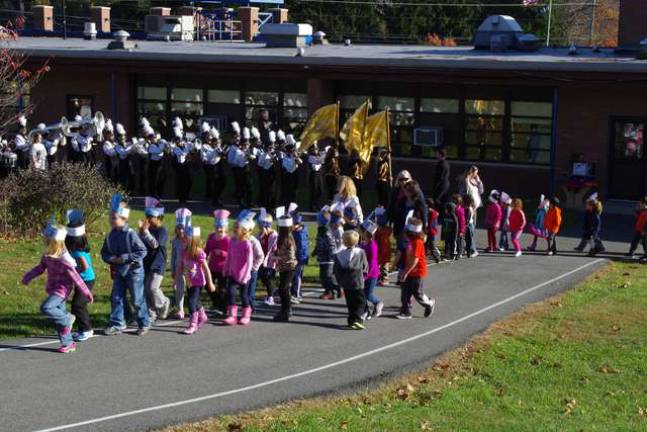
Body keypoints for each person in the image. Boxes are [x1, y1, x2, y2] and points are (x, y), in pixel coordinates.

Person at [22, 222, 93, 353]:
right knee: (57, 319)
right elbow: (40, 267)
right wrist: (28, 276)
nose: (45, 242)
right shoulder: (48, 255)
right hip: (53, 288)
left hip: (62, 290)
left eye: (47, 240)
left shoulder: (64, 258)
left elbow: (76, 277)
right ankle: (68, 344)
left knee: (47, 307)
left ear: (55, 241)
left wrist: (87, 293)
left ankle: (68, 318)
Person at [101, 194, 150, 336]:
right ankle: (118, 323)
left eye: (114, 217)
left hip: (134, 272)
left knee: (137, 298)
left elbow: (142, 251)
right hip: (119, 271)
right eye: (110, 217)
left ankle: (144, 323)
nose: (111, 220)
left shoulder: (131, 235)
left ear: (124, 219)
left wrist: (124, 258)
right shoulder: (110, 235)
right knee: (116, 297)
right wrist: (110, 259)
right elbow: (104, 252)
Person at [64, 210, 96, 342]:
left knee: (78, 305)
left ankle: (87, 330)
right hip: (81, 280)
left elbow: (85, 267)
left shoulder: (79, 252)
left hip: (87, 280)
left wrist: (74, 270)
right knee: (77, 305)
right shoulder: (75, 249)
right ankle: (83, 329)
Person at [178, 224, 215, 335]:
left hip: (198, 282)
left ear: (193, 240)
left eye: (186, 237)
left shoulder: (199, 253)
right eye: (184, 237)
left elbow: (206, 269)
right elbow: (180, 266)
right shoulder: (183, 251)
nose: (183, 238)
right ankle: (203, 316)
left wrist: (211, 283)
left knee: (191, 302)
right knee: (195, 300)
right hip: (189, 281)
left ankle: (193, 324)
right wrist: (176, 279)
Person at [139, 197, 171, 322]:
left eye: (150, 217)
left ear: (158, 217)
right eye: (146, 216)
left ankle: (163, 303)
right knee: (146, 290)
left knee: (152, 288)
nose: (147, 219)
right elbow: (140, 243)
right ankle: (151, 314)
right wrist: (141, 232)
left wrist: (146, 232)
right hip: (147, 263)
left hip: (158, 264)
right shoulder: (147, 230)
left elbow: (155, 244)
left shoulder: (162, 230)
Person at [397, 217, 435, 320]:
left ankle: (429, 304)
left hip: (417, 272)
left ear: (411, 233)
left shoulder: (417, 243)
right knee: (405, 291)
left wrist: (406, 271)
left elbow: (415, 260)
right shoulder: (410, 241)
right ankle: (405, 311)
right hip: (409, 270)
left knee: (417, 293)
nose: (404, 232)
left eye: (406, 231)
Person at [223, 211, 255, 326]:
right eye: (234, 227)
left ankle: (246, 314)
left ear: (244, 230)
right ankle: (232, 315)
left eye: (237, 228)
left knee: (244, 295)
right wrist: (225, 268)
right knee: (231, 292)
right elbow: (229, 256)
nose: (235, 229)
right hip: (233, 273)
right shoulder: (232, 241)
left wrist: (246, 275)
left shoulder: (247, 244)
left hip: (244, 275)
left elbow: (250, 261)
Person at [334, 230, 369, 329]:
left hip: (346, 282)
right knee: (361, 301)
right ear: (357, 241)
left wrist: (340, 281)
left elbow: (336, 270)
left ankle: (351, 320)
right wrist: (365, 274)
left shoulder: (339, 255)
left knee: (350, 302)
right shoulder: (360, 252)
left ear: (344, 242)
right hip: (357, 281)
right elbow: (365, 265)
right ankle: (357, 319)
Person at [204, 209, 231, 315]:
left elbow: (232, 254)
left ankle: (223, 308)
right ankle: (218, 304)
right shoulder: (211, 237)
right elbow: (206, 249)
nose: (219, 229)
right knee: (207, 285)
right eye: (217, 227)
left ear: (226, 228)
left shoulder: (228, 240)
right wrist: (202, 258)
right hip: (212, 267)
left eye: (222, 228)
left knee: (223, 289)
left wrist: (222, 253)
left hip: (224, 268)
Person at [313, 205, 342, 301]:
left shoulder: (327, 232)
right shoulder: (320, 231)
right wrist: (315, 251)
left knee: (327, 277)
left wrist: (331, 256)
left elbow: (332, 245)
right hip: (322, 258)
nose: (317, 222)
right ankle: (328, 292)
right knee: (323, 277)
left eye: (318, 221)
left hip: (328, 259)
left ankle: (337, 288)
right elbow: (318, 242)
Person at [273, 212, 297, 322]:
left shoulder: (288, 239)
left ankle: (286, 310)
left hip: (289, 267)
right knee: (283, 289)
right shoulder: (280, 238)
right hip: (282, 267)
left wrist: (278, 257)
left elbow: (290, 256)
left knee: (283, 288)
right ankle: (285, 309)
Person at [360, 218, 383, 319]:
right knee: (362, 294)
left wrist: (366, 276)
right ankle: (365, 311)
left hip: (371, 274)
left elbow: (372, 264)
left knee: (368, 294)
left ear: (366, 232)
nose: (359, 231)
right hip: (363, 273)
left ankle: (378, 303)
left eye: (361, 230)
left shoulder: (372, 246)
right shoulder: (362, 243)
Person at [171, 208, 190, 319]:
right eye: (179, 228)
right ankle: (181, 309)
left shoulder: (189, 241)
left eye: (183, 229)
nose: (181, 231)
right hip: (179, 268)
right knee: (179, 289)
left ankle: (196, 309)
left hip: (190, 269)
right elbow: (173, 256)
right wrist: (173, 270)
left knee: (192, 290)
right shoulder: (175, 241)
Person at [257, 209, 279, 306]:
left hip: (271, 262)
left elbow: (274, 249)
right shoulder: (260, 235)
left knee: (268, 279)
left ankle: (271, 297)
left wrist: (275, 259)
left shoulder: (274, 235)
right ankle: (272, 293)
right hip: (262, 261)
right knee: (263, 278)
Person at [290, 206, 309, 304]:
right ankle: (294, 292)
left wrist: (298, 258)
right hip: (296, 257)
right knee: (294, 275)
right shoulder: (296, 231)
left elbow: (301, 248)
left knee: (297, 276)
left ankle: (297, 294)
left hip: (299, 258)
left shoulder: (300, 234)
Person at [388, 170, 413, 240]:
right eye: (401, 180)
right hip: (397, 214)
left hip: (407, 214)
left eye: (405, 179)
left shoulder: (412, 189)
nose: (403, 182)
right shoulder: (396, 190)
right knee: (397, 234)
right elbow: (391, 203)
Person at [171, 127, 192, 204]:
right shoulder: (176, 149)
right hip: (179, 167)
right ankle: (181, 197)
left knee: (189, 181)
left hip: (185, 166)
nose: (180, 142)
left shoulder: (185, 147)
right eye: (178, 140)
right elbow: (181, 154)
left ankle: (186, 195)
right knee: (181, 182)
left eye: (181, 140)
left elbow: (189, 154)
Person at [280, 135, 301, 208]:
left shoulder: (294, 156)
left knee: (294, 191)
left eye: (293, 150)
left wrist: (296, 157)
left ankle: (293, 206)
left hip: (294, 175)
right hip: (288, 176)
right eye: (291, 150)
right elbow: (286, 167)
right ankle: (287, 206)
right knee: (287, 191)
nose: (292, 151)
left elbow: (300, 162)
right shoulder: (284, 156)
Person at [257, 131, 277, 210]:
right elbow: (260, 164)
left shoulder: (275, 153)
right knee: (266, 190)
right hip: (265, 173)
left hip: (273, 173)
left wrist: (273, 159)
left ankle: (272, 206)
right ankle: (265, 205)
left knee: (272, 190)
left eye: (271, 147)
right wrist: (266, 158)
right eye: (269, 147)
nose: (271, 148)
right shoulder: (263, 155)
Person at [374, 207, 393, 286]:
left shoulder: (385, 230)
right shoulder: (379, 229)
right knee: (379, 264)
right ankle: (379, 277)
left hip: (384, 250)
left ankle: (385, 279)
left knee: (384, 265)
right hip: (379, 249)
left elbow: (385, 240)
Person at [307, 142, 325, 211]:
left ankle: (317, 204)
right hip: (314, 175)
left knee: (320, 190)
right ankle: (312, 206)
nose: (316, 150)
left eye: (317, 149)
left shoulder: (318, 156)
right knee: (314, 191)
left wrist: (321, 159)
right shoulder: (311, 157)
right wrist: (320, 161)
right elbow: (315, 168)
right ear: (311, 150)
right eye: (314, 149)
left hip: (319, 175)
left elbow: (321, 161)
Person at [453, 194, 466, 259]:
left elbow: (462, 221)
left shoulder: (460, 210)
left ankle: (459, 253)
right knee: (455, 240)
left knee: (459, 241)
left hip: (459, 228)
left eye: (454, 200)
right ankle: (455, 251)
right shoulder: (455, 208)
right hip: (455, 227)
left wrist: (461, 230)